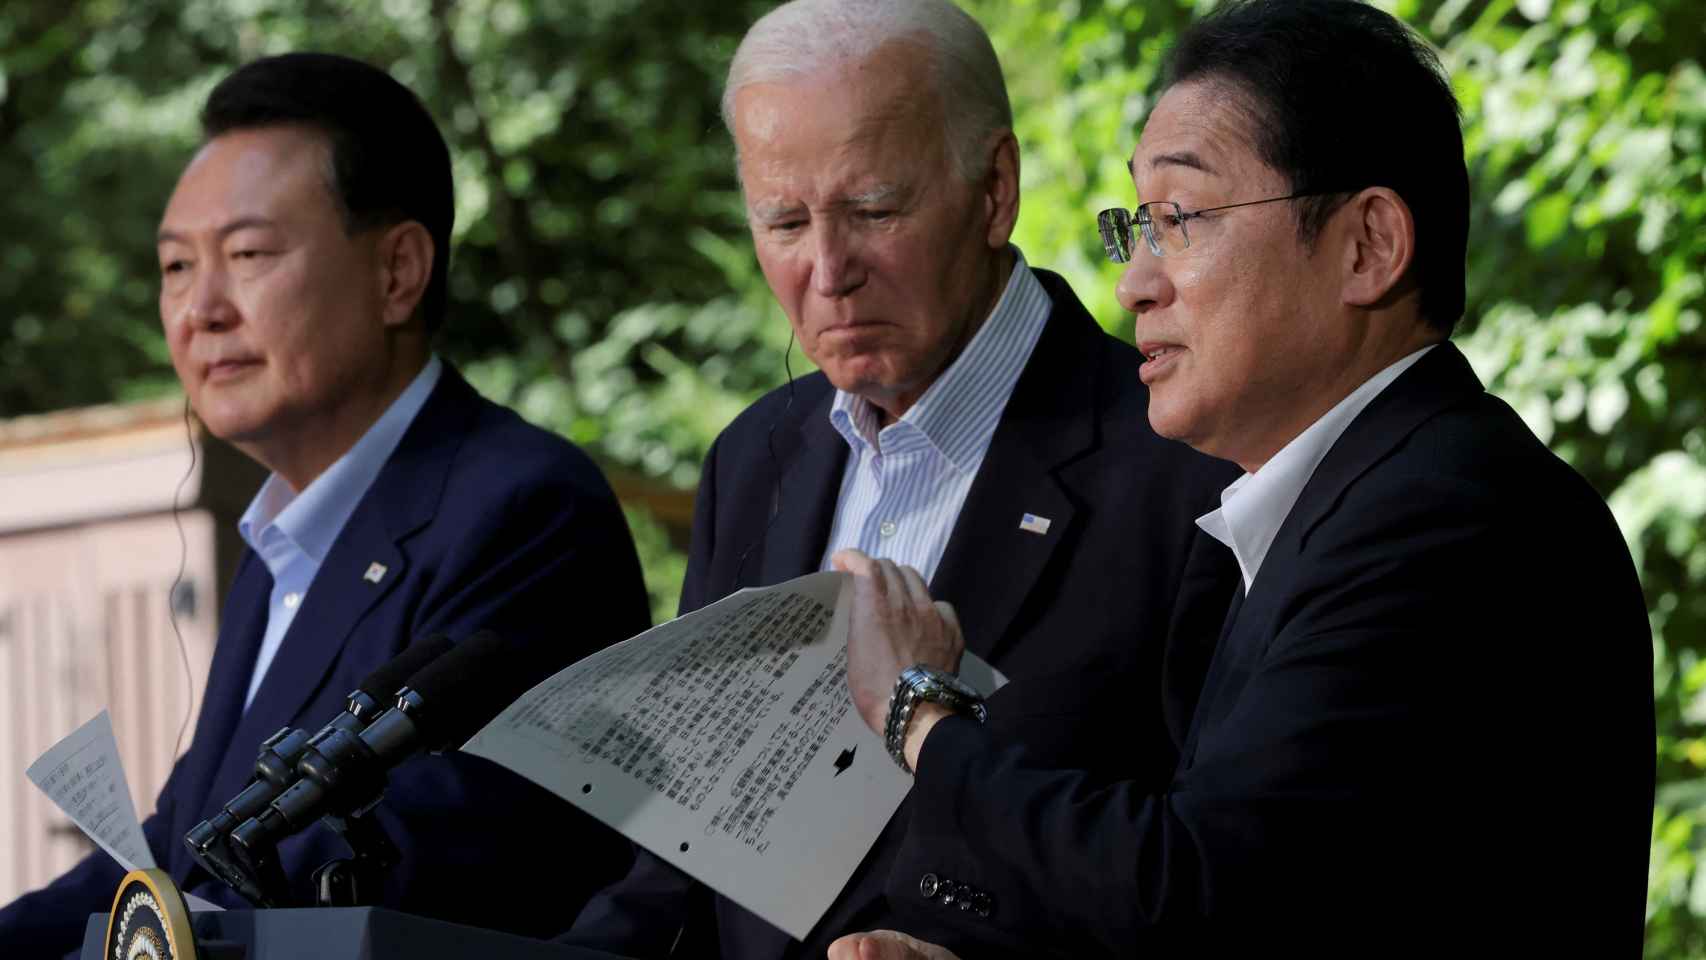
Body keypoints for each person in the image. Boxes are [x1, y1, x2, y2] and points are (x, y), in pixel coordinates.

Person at [828, 1, 1655, 956]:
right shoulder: (1348, 501)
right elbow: (1291, 906)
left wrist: (918, 711)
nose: (1135, 282)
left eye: (1180, 218)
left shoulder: (1451, 516)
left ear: (1368, 245)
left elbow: (1201, 893)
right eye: (1136, 225)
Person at [561, 1, 1239, 957]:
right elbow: (679, 871)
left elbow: (1228, 886)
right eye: (784, 221)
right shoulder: (754, 461)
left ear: (995, 188)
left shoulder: (1184, 464)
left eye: (874, 211)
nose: (828, 271)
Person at [0, 53, 650, 954]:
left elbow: (442, 847)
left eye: (249, 255)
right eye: (176, 267)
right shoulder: (281, 547)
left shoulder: (521, 509)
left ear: (398, 272)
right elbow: (183, 846)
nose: (200, 310)